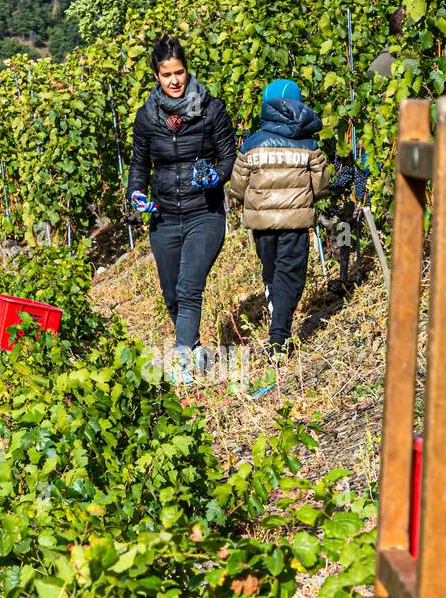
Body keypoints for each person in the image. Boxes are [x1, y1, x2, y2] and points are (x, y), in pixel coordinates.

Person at [128, 35, 236, 382]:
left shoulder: (212, 109)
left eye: (179, 72)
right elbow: (139, 165)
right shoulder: (146, 118)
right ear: (156, 76)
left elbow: (228, 157)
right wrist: (135, 192)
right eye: (166, 74)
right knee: (171, 291)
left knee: (190, 286)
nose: (175, 81)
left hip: (203, 211)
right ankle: (195, 348)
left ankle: (181, 361)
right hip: (163, 214)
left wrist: (215, 177)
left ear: (187, 70)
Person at [226, 79, 330, 355]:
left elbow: (236, 187)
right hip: (295, 222)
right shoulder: (309, 145)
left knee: (272, 269)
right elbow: (321, 186)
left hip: (262, 224)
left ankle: (276, 315)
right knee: (290, 274)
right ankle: (279, 336)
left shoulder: (251, 145)